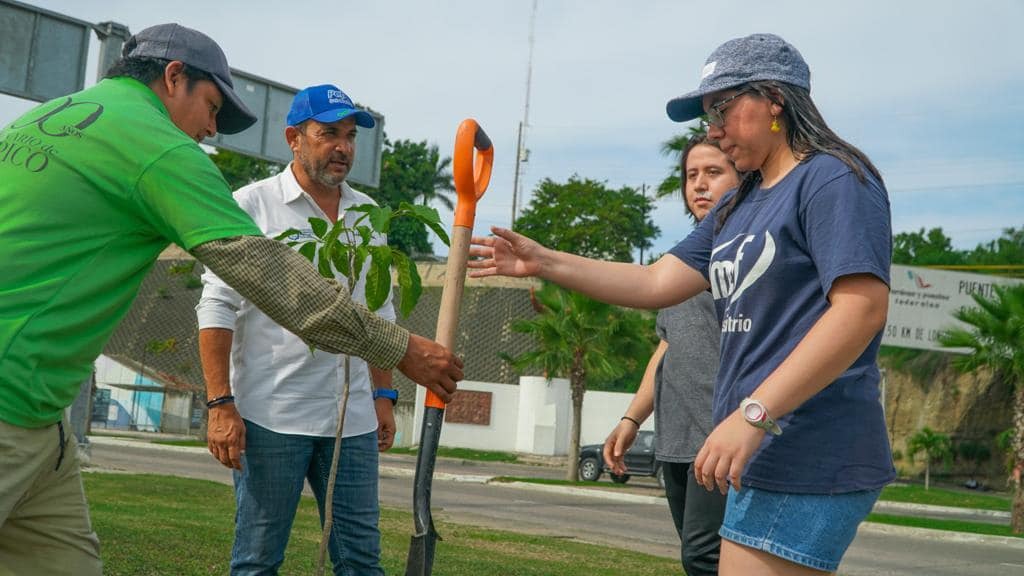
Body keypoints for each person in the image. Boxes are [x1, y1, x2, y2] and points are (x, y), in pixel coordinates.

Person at [0, 24, 461, 575]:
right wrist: (401, 348)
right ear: (175, 77)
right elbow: (267, 275)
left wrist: (381, 388)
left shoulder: (49, 117)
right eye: (212, 107)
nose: (212, 130)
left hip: (38, 415)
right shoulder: (159, 147)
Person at [470, 33, 893, 575]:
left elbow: (860, 310)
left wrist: (754, 414)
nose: (712, 130)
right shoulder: (739, 205)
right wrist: (544, 261)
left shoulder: (832, 178)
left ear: (774, 100)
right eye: (708, 116)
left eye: (721, 109)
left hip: (808, 449)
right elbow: (653, 282)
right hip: (762, 452)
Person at [197, 84, 397, 575]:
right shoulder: (251, 206)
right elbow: (218, 306)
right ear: (294, 138)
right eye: (328, 134)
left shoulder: (366, 217)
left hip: (352, 421)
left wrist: (384, 394)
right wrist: (220, 404)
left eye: (350, 136)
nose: (343, 147)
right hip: (272, 416)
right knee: (258, 561)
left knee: (362, 561)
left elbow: (380, 312)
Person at [603, 135, 738, 575]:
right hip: (675, 440)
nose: (699, 184)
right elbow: (667, 345)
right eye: (691, 175)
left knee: (704, 556)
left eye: (713, 172)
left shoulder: (744, 252)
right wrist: (631, 419)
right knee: (701, 557)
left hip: (720, 437)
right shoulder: (681, 259)